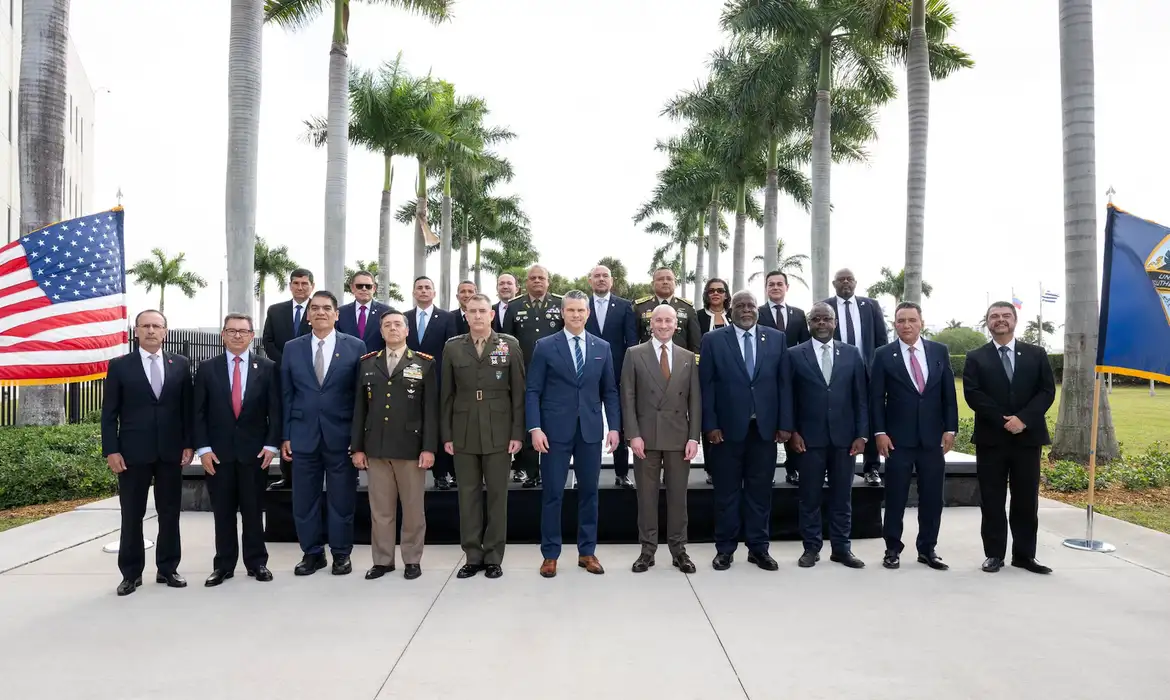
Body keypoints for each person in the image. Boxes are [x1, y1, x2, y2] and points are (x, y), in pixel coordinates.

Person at [526, 290, 620, 578]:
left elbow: (610, 391)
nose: (576, 315)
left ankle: (587, 552)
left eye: (581, 310)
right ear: (562, 313)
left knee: (589, 493)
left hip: (590, 431)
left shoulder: (602, 347)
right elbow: (533, 390)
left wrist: (614, 426)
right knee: (553, 493)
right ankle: (550, 554)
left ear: (588, 313)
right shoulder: (544, 346)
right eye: (571, 311)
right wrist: (535, 427)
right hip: (553, 432)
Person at [100, 309, 193, 596]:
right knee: (132, 514)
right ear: (136, 331)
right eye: (146, 326)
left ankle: (168, 569)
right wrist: (111, 450)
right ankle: (131, 574)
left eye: (157, 326)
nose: (151, 331)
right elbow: (108, 414)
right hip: (132, 453)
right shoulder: (120, 366)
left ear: (165, 331)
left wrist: (188, 444)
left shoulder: (180, 364)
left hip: (170, 452)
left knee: (169, 514)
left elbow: (186, 409)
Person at [699, 291, 792, 571]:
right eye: (740, 305)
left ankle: (758, 549)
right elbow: (707, 387)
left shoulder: (776, 339)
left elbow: (784, 384)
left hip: (764, 431)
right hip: (726, 432)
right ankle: (725, 550)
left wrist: (785, 424)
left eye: (751, 305)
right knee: (726, 493)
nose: (746, 309)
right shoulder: (713, 340)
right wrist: (710, 425)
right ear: (731, 309)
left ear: (758, 310)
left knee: (760, 493)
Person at [963, 301, 1057, 575]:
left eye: (1006, 316)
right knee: (991, 499)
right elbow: (973, 394)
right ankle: (994, 554)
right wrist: (1005, 420)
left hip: (1027, 438)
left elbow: (1046, 391)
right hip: (992, 439)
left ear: (1015, 320)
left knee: (1026, 499)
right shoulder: (975, 356)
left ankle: (1025, 556)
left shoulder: (1036, 353)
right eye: (995, 316)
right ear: (987, 322)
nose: (1000, 320)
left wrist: (1023, 419)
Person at [281, 290, 367, 577]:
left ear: (336, 314)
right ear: (307, 315)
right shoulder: (292, 348)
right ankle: (312, 553)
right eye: (314, 308)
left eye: (326, 308)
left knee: (341, 499)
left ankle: (341, 553)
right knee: (305, 499)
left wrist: (358, 439)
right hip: (303, 435)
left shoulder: (355, 346)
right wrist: (286, 435)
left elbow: (360, 397)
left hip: (341, 436)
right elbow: (286, 394)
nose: (320, 312)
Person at [441, 294, 525, 580]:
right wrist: (447, 434)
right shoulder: (453, 348)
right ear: (465, 314)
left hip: (499, 430)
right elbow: (446, 395)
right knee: (468, 495)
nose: (477, 316)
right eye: (472, 311)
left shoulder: (509, 345)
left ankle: (493, 556)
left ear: (492, 315)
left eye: (482, 311)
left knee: (497, 496)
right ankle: (473, 555)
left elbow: (518, 394)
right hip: (463, 429)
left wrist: (517, 433)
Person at [869, 301, 958, 571]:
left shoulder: (939, 351)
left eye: (911, 320)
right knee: (895, 497)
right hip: (898, 440)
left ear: (921, 322)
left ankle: (927, 549)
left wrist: (950, 428)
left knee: (932, 497)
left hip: (932, 440)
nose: (906, 325)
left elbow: (948, 395)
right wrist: (880, 432)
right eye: (900, 321)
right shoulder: (883, 354)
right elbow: (875, 398)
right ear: (894, 324)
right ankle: (892, 549)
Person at [194, 313, 281, 586]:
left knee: (254, 511)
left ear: (251, 336)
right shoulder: (207, 368)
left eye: (243, 331)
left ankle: (257, 563)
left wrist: (271, 445)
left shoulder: (267, 367)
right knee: (223, 512)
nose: (237, 336)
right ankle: (223, 565)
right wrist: (203, 449)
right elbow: (198, 413)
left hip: (255, 454)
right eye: (231, 331)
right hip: (218, 455)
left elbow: (275, 411)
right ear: (223, 334)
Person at [352, 311, 438, 581]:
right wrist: (357, 447)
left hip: (410, 448)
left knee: (413, 509)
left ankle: (412, 559)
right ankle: (383, 560)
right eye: (387, 325)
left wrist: (428, 448)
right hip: (375, 447)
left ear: (407, 330)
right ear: (380, 331)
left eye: (397, 324)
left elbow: (430, 410)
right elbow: (359, 409)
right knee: (381, 510)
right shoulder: (367, 363)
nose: (392, 329)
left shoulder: (424, 363)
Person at [784, 302, 868, 569]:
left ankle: (842, 548)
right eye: (816, 319)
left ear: (835, 323)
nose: (821, 323)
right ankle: (811, 548)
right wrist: (793, 432)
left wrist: (862, 434)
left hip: (845, 439)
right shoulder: (794, 355)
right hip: (808, 439)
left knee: (842, 496)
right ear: (809, 323)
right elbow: (789, 398)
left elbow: (861, 398)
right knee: (809, 496)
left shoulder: (852, 354)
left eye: (826, 319)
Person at [621, 305, 701, 574]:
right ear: (650, 324)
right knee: (646, 497)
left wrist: (694, 437)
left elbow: (695, 401)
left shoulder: (689, 357)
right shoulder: (634, 354)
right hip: (646, 436)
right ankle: (647, 550)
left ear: (676, 324)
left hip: (679, 437)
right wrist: (633, 434)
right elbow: (628, 398)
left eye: (669, 320)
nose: (664, 325)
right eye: (659, 320)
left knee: (679, 497)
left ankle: (679, 550)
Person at [823, 268, 887, 486]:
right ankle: (829, 467)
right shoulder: (825, 306)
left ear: (856, 283)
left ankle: (871, 468)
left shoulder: (870, 306)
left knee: (868, 416)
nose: (846, 283)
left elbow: (881, 341)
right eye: (841, 280)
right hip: (836, 372)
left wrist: (880, 369)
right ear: (834, 284)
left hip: (867, 372)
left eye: (850, 279)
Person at [502, 264, 564, 487]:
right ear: (526, 282)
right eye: (533, 278)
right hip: (525, 374)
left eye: (541, 278)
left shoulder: (560, 304)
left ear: (548, 282)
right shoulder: (514, 306)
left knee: (553, 425)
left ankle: (552, 472)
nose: (537, 281)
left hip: (556, 375)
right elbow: (507, 342)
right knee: (530, 423)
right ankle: (531, 473)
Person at [585, 264, 638, 488]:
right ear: (590, 281)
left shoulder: (625, 306)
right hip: (586, 375)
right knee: (587, 426)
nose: (601, 279)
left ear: (612, 280)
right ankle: (587, 474)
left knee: (620, 424)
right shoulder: (580, 305)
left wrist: (628, 374)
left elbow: (631, 343)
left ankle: (621, 473)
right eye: (596, 276)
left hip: (616, 375)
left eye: (605, 276)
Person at [260, 267, 314, 489]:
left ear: (312, 286)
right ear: (290, 285)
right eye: (296, 283)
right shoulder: (275, 310)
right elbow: (268, 341)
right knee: (284, 420)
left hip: (310, 377)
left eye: (304, 283)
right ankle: (287, 474)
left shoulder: (319, 309)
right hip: (281, 375)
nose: (300, 287)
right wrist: (286, 364)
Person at [404, 276, 459, 489]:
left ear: (434, 292)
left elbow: (451, 350)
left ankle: (441, 474)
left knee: (437, 425)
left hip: (438, 379)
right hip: (409, 380)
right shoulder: (404, 317)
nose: (424, 291)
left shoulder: (446, 317)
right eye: (419, 288)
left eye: (428, 287)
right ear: (414, 292)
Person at [757, 270, 811, 486]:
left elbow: (805, 344)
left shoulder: (798, 314)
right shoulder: (758, 312)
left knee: (792, 420)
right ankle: (766, 472)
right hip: (766, 377)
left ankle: (793, 469)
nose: (776, 287)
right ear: (766, 288)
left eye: (780, 284)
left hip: (793, 375)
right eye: (771, 284)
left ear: (786, 287)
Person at [697, 278, 730, 485]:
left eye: (720, 290)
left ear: (726, 294)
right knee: (708, 419)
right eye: (711, 291)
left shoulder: (736, 315)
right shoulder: (698, 316)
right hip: (705, 374)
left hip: (731, 378)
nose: (715, 294)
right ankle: (710, 469)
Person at [633, 267, 702, 350]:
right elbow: (633, 340)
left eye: (669, 279)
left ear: (675, 283)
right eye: (660, 279)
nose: (665, 282)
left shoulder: (687, 308)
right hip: (647, 359)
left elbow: (695, 342)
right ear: (652, 284)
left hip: (680, 360)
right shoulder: (640, 307)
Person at [336, 270, 392, 353]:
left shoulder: (387, 312)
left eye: (368, 286)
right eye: (359, 286)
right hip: (348, 363)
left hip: (376, 363)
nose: (364, 289)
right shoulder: (341, 312)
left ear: (374, 288)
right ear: (352, 288)